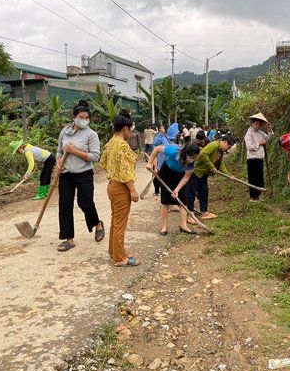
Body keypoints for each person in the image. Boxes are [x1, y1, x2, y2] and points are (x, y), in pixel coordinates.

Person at [56, 100, 104, 252]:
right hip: (66, 174)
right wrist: (58, 163)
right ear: (74, 117)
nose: (84, 120)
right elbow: (59, 151)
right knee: (64, 206)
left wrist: (74, 151)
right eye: (81, 117)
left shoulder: (91, 135)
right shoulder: (65, 131)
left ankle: (97, 224)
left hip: (84, 174)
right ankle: (68, 239)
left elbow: (95, 157)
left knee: (85, 202)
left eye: (86, 118)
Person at [100, 110, 140, 267]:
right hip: (121, 186)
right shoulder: (122, 145)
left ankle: (115, 251)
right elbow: (125, 171)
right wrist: (132, 190)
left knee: (115, 221)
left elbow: (103, 162)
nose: (131, 132)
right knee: (120, 223)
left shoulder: (111, 143)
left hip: (112, 185)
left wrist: (113, 171)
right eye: (130, 129)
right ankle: (119, 258)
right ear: (125, 129)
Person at [146, 142, 201, 235]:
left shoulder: (192, 163)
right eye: (193, 157)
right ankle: (164, 226)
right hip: (166, 173)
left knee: (183, 201)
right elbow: (157, 148)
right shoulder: (173, 151)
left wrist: (177, 189)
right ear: (187, 154)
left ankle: (184, 226)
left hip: (180, 176)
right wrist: (150, 163)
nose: (194, 159)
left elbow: (186, 177)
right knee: (165, 201)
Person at [187, 135, 234, 221]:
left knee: (204, 193)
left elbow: (221, 164)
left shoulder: (220, 151)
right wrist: (211, 166)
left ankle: (204, 213)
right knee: (192, 193)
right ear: (225, 142)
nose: (228, 149)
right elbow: (203, 154)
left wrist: (228, 175)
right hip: (196, 172)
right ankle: (190, 215)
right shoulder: (214, 145)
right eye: (228, 147)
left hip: (203, 174)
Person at [244, 113, 273, 201]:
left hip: (260, 158)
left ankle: (260, 195)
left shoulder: (260, 133)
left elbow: (268, 138)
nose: (257, 126)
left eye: (259, 124)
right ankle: (253, 197)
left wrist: (270, 130)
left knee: (260, 178)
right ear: (252, 123)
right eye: (256, 124)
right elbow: (249, 147)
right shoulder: (248, 134)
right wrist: (259, 143)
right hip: (252, 159)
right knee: (253, 178)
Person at [151, 125, 170, 196]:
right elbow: (154, 154)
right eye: (160, 128)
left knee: (164, 177)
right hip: (158, 160)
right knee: (155, 176)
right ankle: (156, 191)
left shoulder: (168, 138)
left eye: (163, 128)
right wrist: (156, 166)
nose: (161, 129)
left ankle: (163, 191)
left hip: (166, 162)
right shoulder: (158, 139)